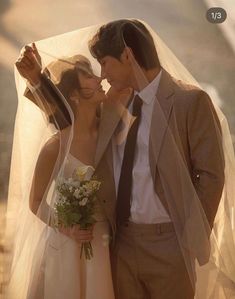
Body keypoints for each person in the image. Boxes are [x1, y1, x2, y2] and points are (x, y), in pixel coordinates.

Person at [87, 19, 225, 299]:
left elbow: (211, 175)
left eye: (105, 63)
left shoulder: (190, 101)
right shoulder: (115, 103)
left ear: (127, 55)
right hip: (121, 244)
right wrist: (38, 81)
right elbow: (71, 126)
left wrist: (187, 240)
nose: (102, 74)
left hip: (170, 245)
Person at [10, 51, 115, 299]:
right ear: (74, 96)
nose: (100, 79)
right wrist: (67, 227)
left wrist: (38, 81)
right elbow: (35, 203)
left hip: (105, 244)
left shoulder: (111, 132)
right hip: (66, 247)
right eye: (89, 77)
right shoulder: (56, 146)